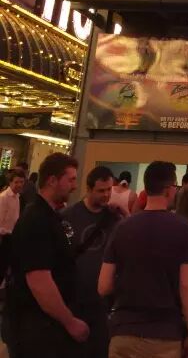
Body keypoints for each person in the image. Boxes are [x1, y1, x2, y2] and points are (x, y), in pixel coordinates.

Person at [98, 160, 188, 358]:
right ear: (168, 190)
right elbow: (187, 286)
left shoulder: (122, 227)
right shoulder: (181, 227)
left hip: (123, 332)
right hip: (164, 335)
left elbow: (103, 286)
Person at [6, 152, 89, 357]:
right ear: (52, 180)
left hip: (43, 326)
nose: (74, 186)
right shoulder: (37, 219)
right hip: (35, 328)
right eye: (70, 180)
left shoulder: (49, 216)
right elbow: (39, 280)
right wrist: (70, 322)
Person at [61, 165, 121, 358]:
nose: (106, 195)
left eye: (109, 190)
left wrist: (126, 213)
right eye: (101, 191)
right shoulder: (68, 216)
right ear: (88, 189)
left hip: (102, 302)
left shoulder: (114, 218)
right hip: (74, 299)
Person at [0, 168, 25, 280]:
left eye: (21, 182)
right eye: (16, 182)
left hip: (11, 237)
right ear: (10, 182)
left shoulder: (18, 197)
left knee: (5, 268)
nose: (19, 185)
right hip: (3, 238)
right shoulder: (3, 197)